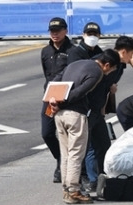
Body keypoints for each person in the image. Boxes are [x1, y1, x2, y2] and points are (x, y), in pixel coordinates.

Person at [48, 49, 121, 204]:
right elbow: (81, 92)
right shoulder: (97, 72)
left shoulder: (75, 64)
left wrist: (54, 102)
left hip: (59, 116)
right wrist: (63, 103)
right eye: (111, 70)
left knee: (65, 153)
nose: (109, 74)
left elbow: (55, 81)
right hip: (75, 115)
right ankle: (74, 190)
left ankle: (66, 188)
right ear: (107, 65)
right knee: (76, 153)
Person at [82, 35, 133, 192]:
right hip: (89, 109)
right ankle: (91, 179)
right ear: (124, 51)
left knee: (104, 143)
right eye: (131, 54)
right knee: (91, 146)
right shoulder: (100, 61)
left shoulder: (119, 66)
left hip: (99, 109)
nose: (131, 58)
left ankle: (102, 175)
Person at [40, 17, 75, 183]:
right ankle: (60, 158)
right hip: (49, 97)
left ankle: (65, 165)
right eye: (52, 31)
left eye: (58, 30)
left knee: (66, 134)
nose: (55, 34)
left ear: (65, 31)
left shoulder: (72, 51)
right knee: (47, 133)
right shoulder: (45, 52)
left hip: (66, 97)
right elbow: (46, 74)